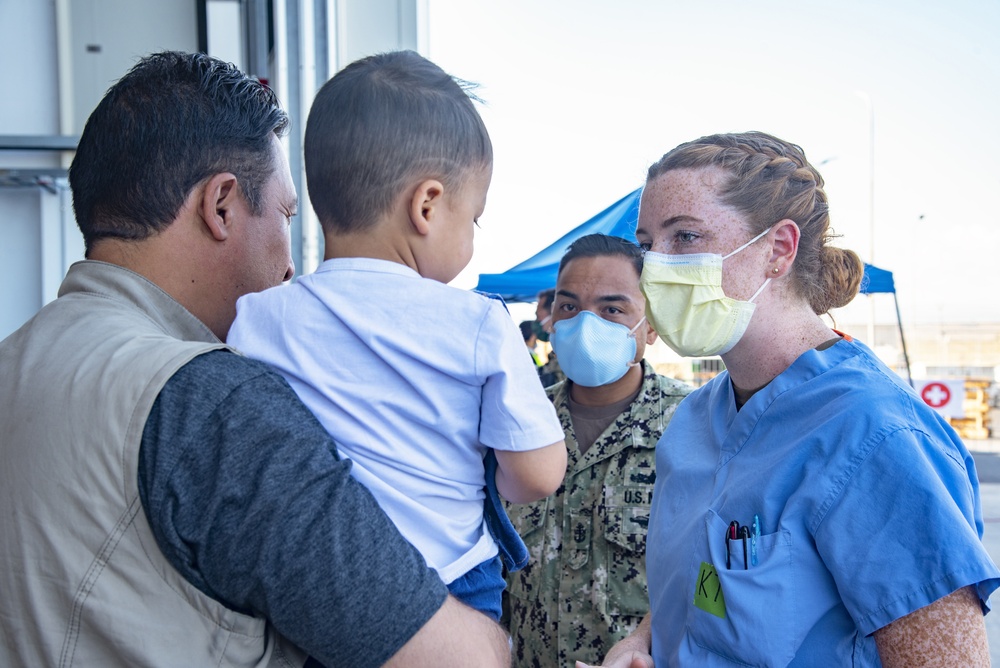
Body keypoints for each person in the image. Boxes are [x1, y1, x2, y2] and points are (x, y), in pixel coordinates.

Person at [0, 50, 511, 668]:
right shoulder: (211, 401)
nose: (293, 263)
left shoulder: (18, 360)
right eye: (287, 215)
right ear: (221, 206)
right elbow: (456, 660)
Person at [586, 131, 1000, 667]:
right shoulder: (695, 419)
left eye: (684, 237)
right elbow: (703, 581)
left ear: (778, 249)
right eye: (646, 245)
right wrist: (643, 641)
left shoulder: (876, 436)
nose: (656, 266)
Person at [227, 50, 566, 622]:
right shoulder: (478, 323)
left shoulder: (257, 317)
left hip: (318, 593)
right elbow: (537, 475)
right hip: (452, 585)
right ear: (427, 206)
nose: (474, 236)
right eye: (474, 218)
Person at [505, 233, 691, 667]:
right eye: (568, 306)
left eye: (612, 309)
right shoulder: (520, 421)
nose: (586, 324)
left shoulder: (693, 424)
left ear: (651, 324)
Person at [535, 287, 566, 387]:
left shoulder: (567, 354)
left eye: (539, 316)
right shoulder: (556, 352)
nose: (538, 322)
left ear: (553, 315)